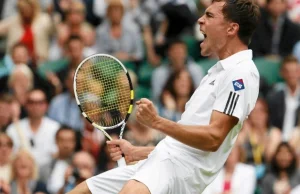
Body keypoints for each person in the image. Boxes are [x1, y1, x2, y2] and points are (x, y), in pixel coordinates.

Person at [69, 0, 260, 193]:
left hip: (179, 171)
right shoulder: (216, 72)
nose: (200, 20)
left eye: (209, 16)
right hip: (165, 160)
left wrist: (156, 122)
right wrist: (137, 152)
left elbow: (213, 139)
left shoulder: (240, 73)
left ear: (231, 28)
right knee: (82, 191)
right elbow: (185, 147)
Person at [6, 89, 60, 167]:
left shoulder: (56, 128)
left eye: (40, 103)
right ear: (26, 105)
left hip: (48, 173)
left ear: (46, 105)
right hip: (20, 174)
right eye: (32, 102)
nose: (36, 106)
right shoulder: (13, 129)